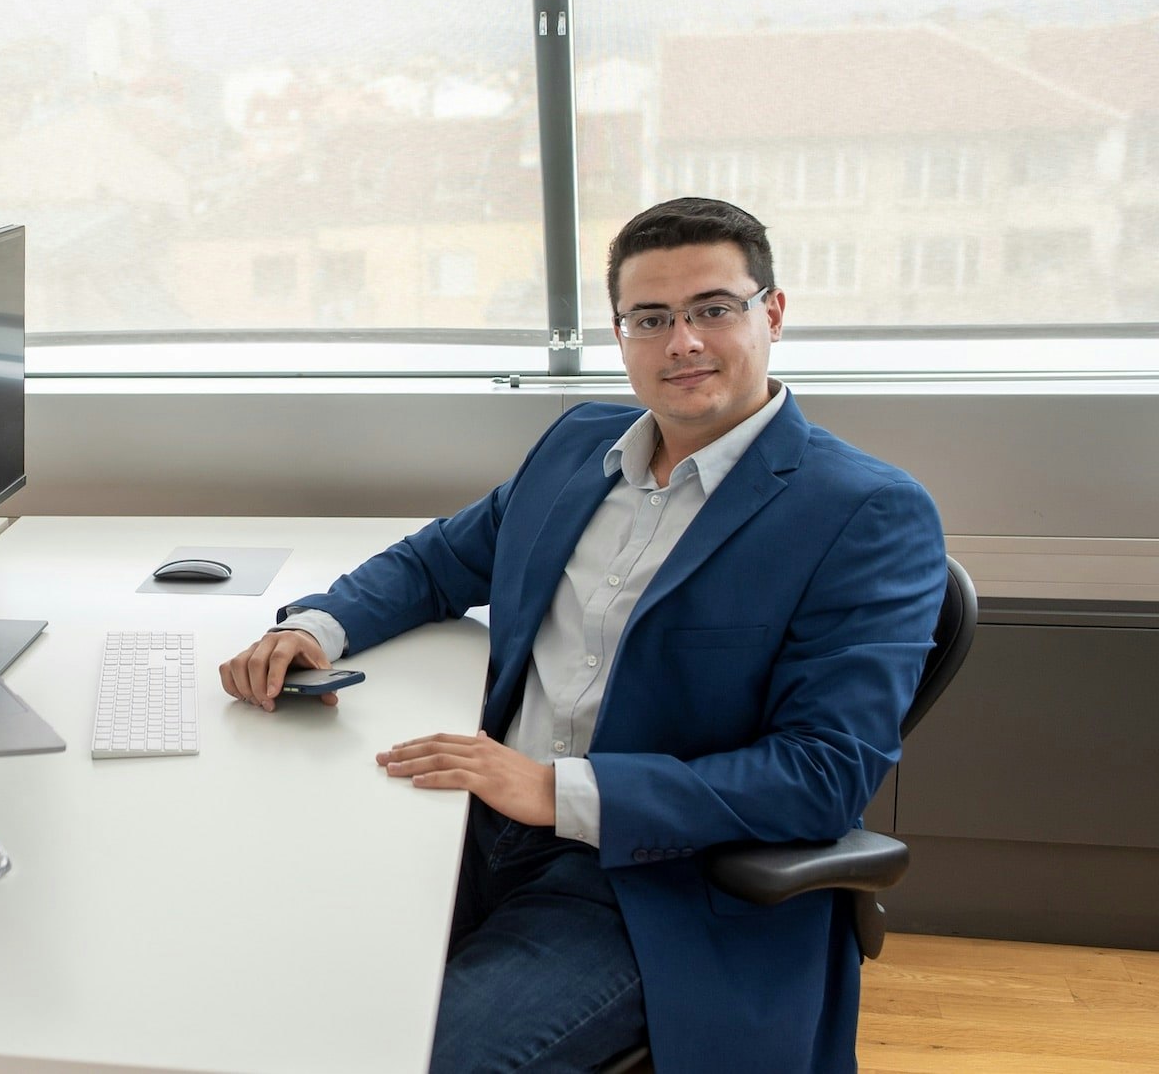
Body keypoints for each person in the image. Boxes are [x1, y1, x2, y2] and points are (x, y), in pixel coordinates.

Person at [220, 197, 946, 1074]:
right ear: (622, 334)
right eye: (651, 318)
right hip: (466, 828)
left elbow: (821, 773)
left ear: (774, 313)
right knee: (253, 988)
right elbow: (440, 561)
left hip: (648, 882)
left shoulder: (865, 512)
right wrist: (317, 626)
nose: (682, 342)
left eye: (714, 308)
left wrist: (553, 789)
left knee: (415, 1060)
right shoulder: (579, 444)